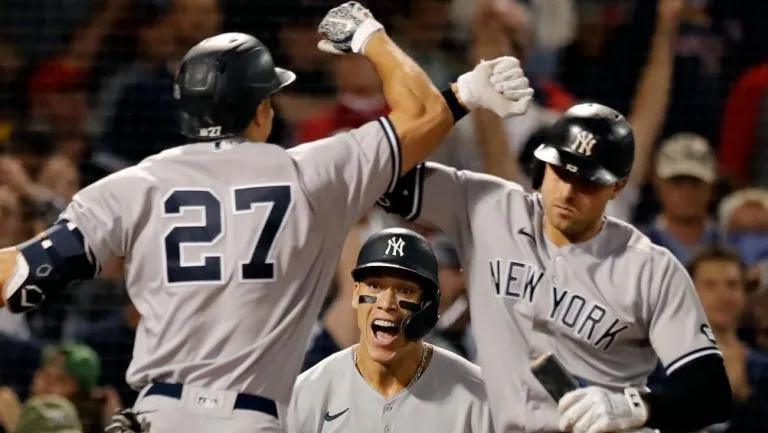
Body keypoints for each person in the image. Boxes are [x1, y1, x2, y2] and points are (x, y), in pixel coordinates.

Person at [0, 2, 533, 433]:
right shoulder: (311, 171)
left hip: (157, 414)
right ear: (261, 110)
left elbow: (24, 277)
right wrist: (370, 35)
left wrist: (465, 92)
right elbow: (422, 114)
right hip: (250, 418)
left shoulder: (131, 186)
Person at [377, 102, 732, 433]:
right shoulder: (488, 206)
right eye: (561, 172)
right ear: (540, 167)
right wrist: (457, 101)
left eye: (588, 182)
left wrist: (634, 406)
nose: (568, 192)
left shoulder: (650, 269)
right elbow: (379, 171)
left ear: (617, 188)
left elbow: (710, 394)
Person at [282, 228, 493, 433]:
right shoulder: (308, 393)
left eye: (405, 290)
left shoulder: (476, 395)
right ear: (355, 294)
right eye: (374, 286)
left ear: (428, 305)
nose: (386, 303)